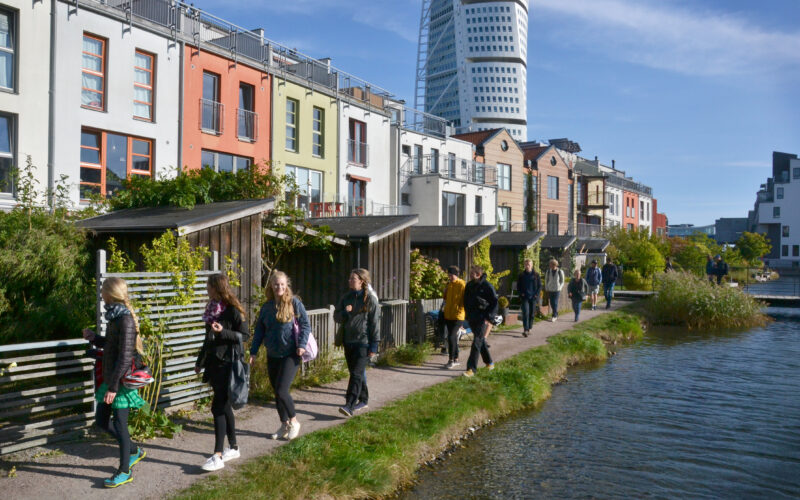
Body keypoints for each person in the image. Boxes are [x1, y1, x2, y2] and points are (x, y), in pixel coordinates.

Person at [82, 277, 146, 488]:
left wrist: (113, 387)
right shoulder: (115, 318)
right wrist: (94, 338)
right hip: (111, 379)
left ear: (110, 293)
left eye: (102, 291)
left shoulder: (125, 320)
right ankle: (134, 450)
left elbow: (126, 357)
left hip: (120, 383)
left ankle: (124, 471)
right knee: (101, 421)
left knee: (120, 424)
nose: (101, 294)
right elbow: (111, 345)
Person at [196, 273, 250, 472]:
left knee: (218, 407)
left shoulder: (233, 311)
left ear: (216, 287)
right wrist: (200, 361)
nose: (206, 289)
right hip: (214, 364)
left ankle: (218, 455)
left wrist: (223, 332)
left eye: (208, 286)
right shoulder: (211, 310)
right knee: (224, 406)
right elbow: (207, 338)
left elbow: (244, 335)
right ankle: (234, 447)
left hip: (229, 364)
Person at [250, 271, 310, 441]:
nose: (279, 287)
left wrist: (302, 345)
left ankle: (294, 421)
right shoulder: (267, 307)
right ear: (271, 285)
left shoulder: (294, 303)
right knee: (277, 392)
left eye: (282, 284)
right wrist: (253, 352)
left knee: (283, 390)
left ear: (287, 285)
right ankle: (284, 424)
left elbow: (305, 325)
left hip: (291, 354)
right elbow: (260, 331)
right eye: (276, 284)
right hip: (273, 354)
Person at [334, 269, 380, 417]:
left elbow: (374, 323)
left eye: (353, 279)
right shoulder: (346, 297)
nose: (349, 281)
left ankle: (349, 405)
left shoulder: (370, 300)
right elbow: (337, 317)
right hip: (348, 341)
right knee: (356, 373)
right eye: (349, 278)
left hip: (363, 342)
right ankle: (364, 399)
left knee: (356, 374)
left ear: (361, 281)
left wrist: (374, 345)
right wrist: (345, 313)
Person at [462, 265, 498, 377]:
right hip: (472, 317)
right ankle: (489, 362)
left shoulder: (487, 286)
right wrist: (466, 314)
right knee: (480, 340)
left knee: (476, 342)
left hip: (483, 318)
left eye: (472, 273)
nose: (470, 274)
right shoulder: (469, 285)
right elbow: (465, 301)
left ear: (478, 274)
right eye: (470, 272)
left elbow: (494, 303)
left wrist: (489, 318)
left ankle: (471, 369)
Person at [442, 266, 466, 369]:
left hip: (458, 315)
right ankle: (456, 359)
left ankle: (451, 360)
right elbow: (445, 298)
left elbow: (465, 299)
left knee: (451, 337)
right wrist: (445, 290)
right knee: (453, 338)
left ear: (456, 274)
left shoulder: (461, 284)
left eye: (451, 275)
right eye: (449, 275)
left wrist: (460, 309)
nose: (450, 277)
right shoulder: (449, 284)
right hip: (448, 315)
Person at [516, 259, 541, 337]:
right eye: (526, 265)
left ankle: (530, 327)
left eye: (528, 265)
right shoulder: (521, 275)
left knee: (531, 314)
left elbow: (540, 286)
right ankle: (525, 330)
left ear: (531, 265)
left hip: (533, 297)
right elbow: (518, 286)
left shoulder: (536, 275)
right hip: (525, 297)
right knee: (525, 313)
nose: (527, 266)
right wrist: (521, 294)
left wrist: (536, 295)